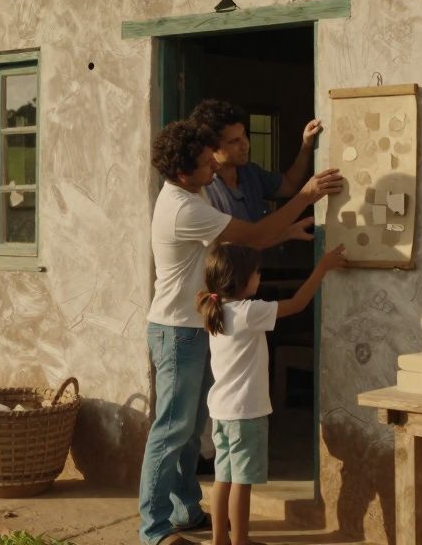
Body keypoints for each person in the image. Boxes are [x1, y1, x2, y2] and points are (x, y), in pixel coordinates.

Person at [139, 119, 343, 545]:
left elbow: (232, 249)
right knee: (172, 431)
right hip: (178, 332)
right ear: (182, 173)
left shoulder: (189, 195)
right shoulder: (184, 206)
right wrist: (305, 195)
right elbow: (248, 234)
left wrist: (283, 231)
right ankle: (154, 530)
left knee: (190, 429)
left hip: (192, 328)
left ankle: (184, 510)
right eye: (204, 163)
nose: (214, 167)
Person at [197, 242, 347, 545]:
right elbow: (298, 304)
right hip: (246, 414)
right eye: (256, 272)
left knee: (223, 479)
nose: (259, 276)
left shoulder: (217, 311)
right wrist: (322, 267)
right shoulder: (249, 312)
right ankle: (240, 540)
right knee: (243, 482)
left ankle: (219, 540)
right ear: (241, 280)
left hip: (222, 413)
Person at [189, 99, 322, 223]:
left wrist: (306, 144)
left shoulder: (249, 172)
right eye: (234, 141)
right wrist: (305, 196)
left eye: (244, 135)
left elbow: (289, 185)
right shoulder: (203, 191)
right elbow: (252, 237)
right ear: (212, 146)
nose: (245, 144)